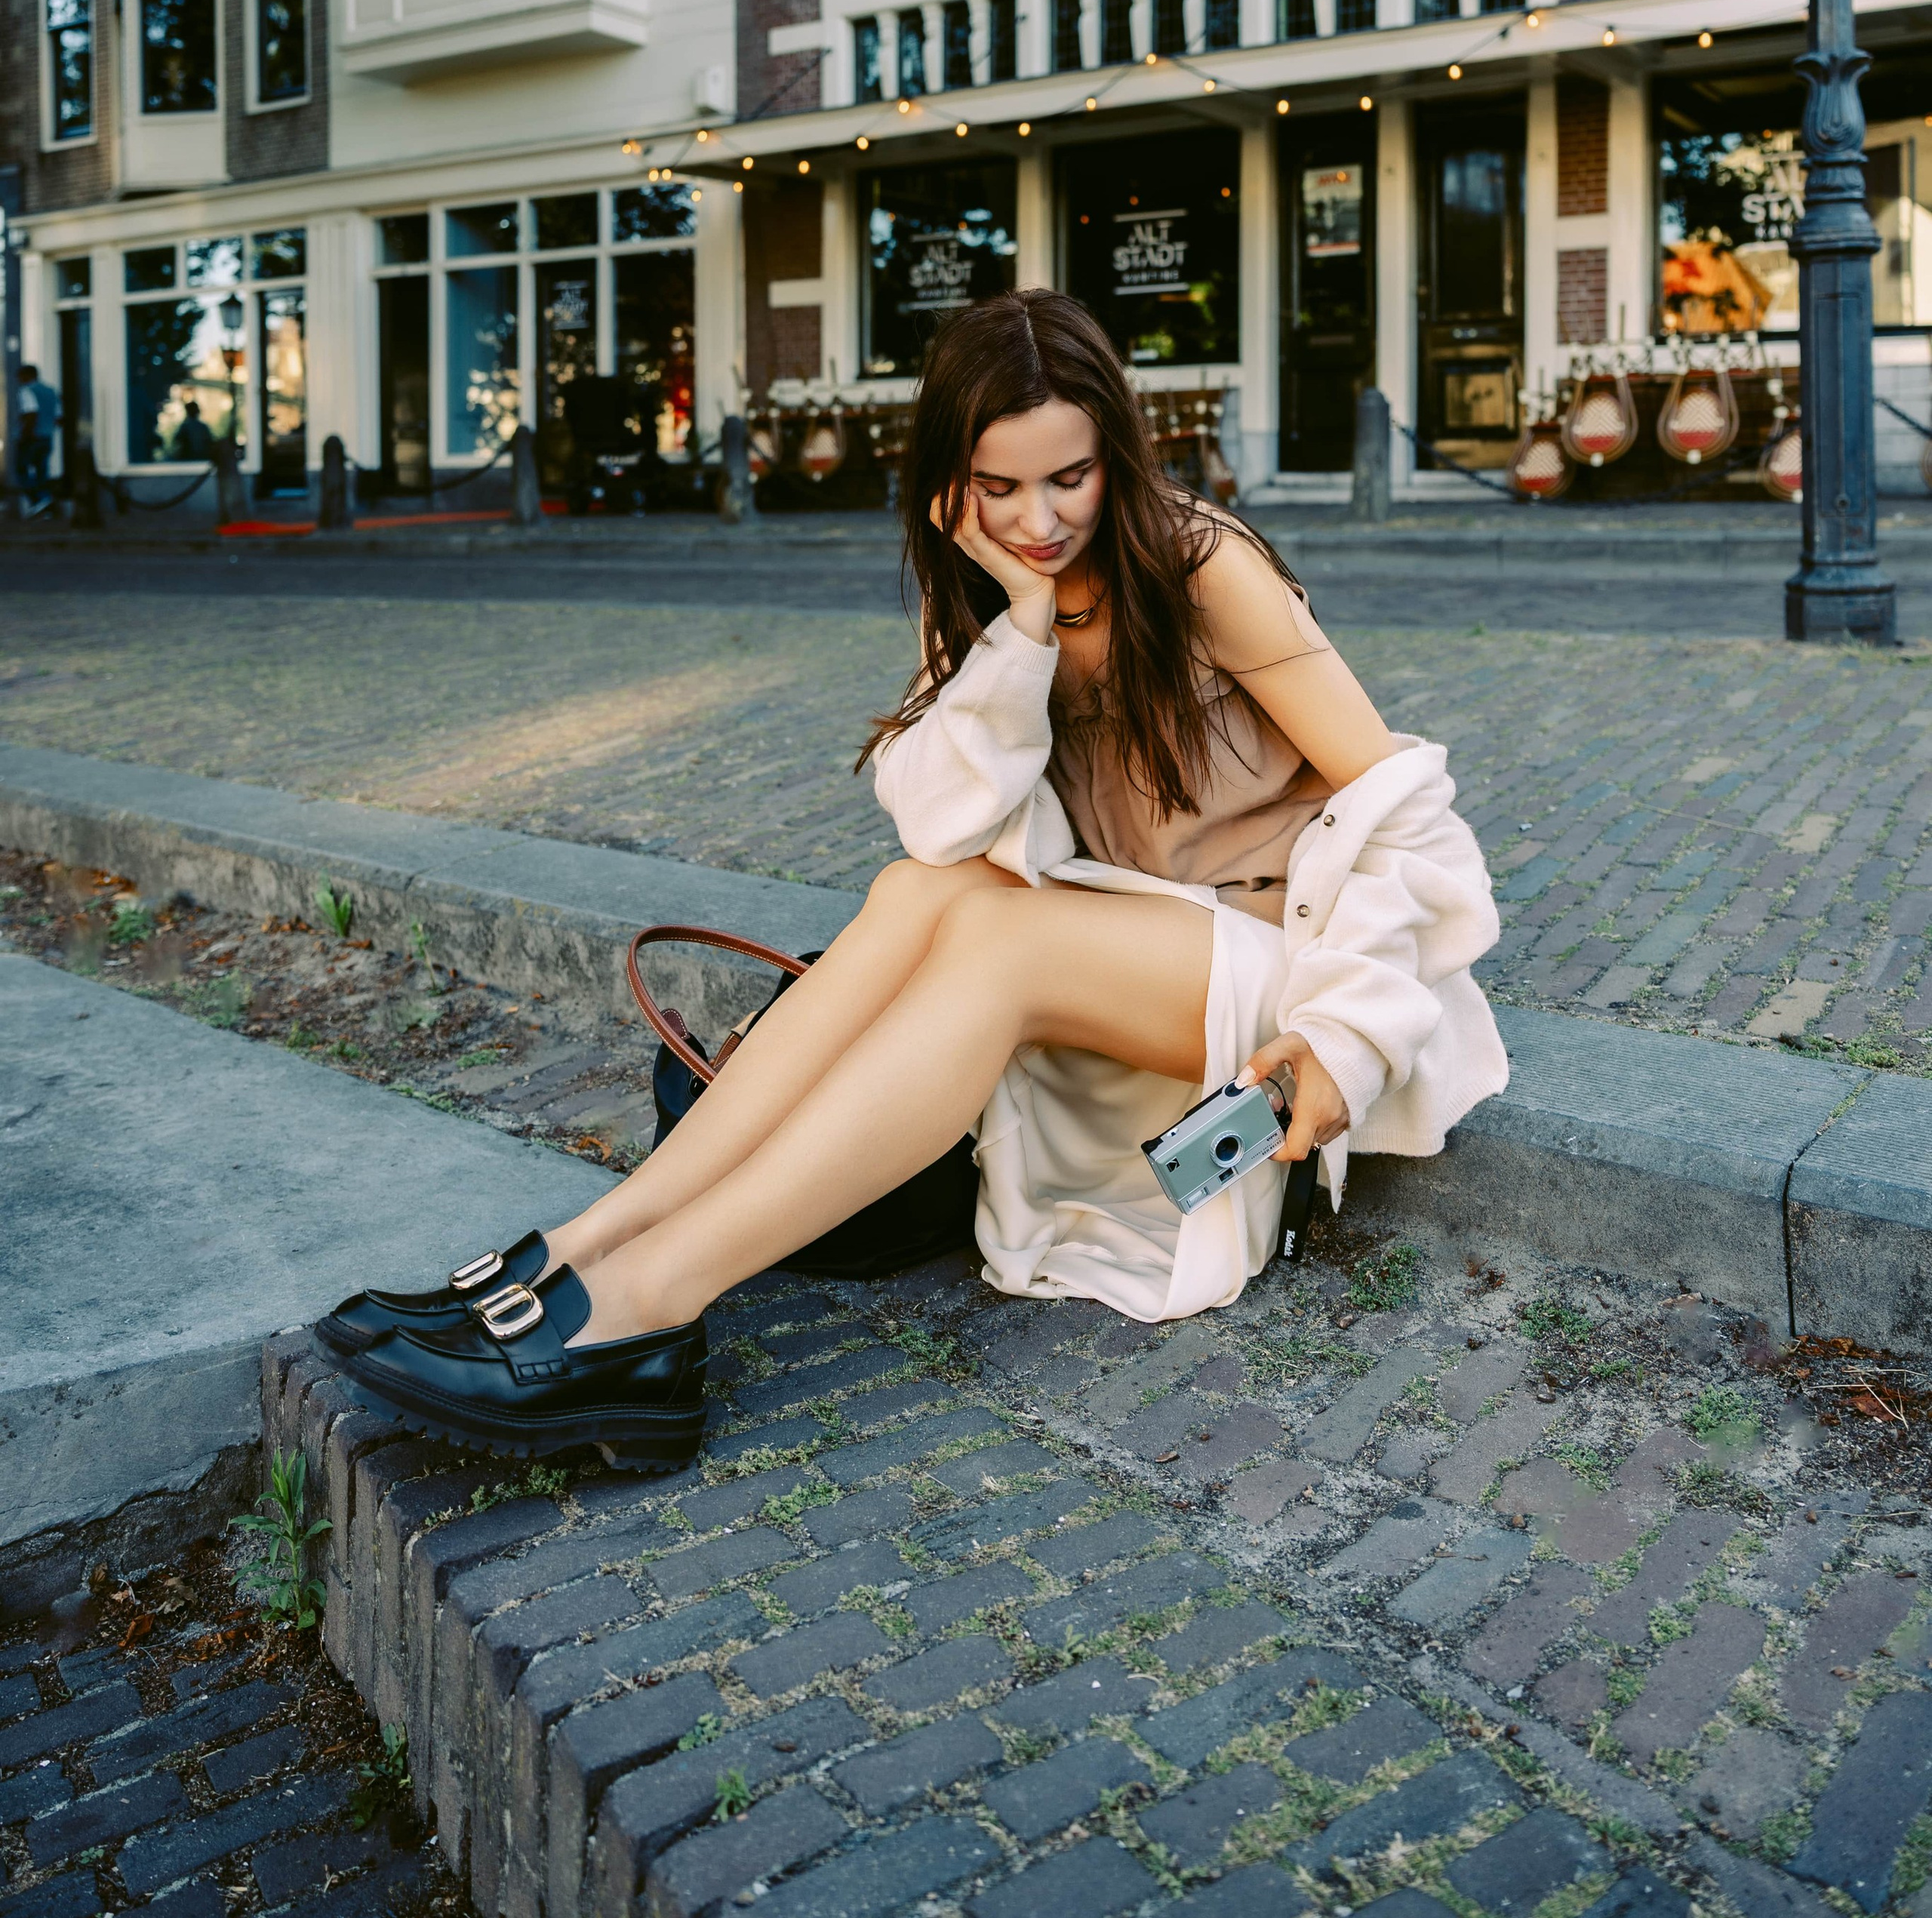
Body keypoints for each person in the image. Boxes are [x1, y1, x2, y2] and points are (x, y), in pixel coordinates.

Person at [322, 290, 1507, 1470]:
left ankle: (650, 1306)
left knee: (1000, 943)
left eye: (1069, 478)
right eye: (998, 489)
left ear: (1119, 456)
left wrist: (1349, 1034)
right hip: (1143, 943)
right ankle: (592, 1244)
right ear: (952, 484)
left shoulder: (1203, 569)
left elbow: (1405, 810)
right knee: (914, 895)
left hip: (1283, 970)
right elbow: (945, 829)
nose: (1037, 519)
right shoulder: (1000, 595)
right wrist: (1025, 624)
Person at [15, 365, 59, 516]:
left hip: (33, 437)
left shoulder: (27, 391)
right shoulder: (51, 391)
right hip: (47, 436)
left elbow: (31, 413)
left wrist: (26, 434)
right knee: (42, 470)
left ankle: (39, 500)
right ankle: (45, 501)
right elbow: (59, 417)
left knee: (21, 468)